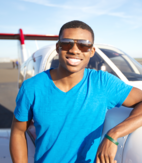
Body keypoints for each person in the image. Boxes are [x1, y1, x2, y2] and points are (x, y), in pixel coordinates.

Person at [10, 20, 142, 163]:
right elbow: (18, 131)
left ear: (91, 52)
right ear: (58, 47)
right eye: (67, 43)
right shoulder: (32, 87)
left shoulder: (103, 83)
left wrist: (114, 134)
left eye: (84, 45)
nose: (74, 50)